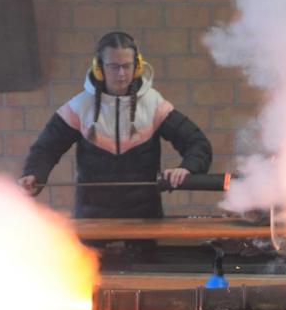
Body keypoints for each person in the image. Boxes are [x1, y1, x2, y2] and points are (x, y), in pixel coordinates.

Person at [18, 31, 212, 219]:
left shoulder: (153, 104)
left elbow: (197, 143)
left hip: (144, 218)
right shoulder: (80, 106)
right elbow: (46, 148)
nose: (121, 74)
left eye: (127, 66)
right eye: (113, 66)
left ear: (137, 67)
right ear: (99, 68)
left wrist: (187, 168)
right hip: (92, 218)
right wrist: (34, 174)